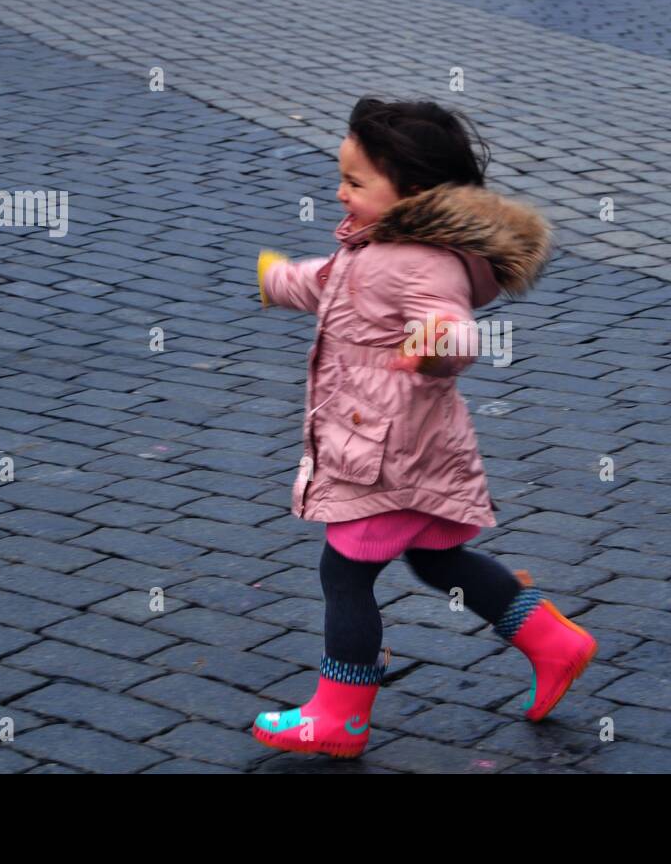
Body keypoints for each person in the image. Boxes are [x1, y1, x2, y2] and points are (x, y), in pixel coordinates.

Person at [250, 98, 597, 758]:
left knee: (345, 575)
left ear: (410, 192)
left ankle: (340, 715)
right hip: (415, 446)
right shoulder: (373, 243)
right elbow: (326, 282)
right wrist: (274, 279)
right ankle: (554, 641)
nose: (338, 190)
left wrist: (435, 344)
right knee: (440, 559)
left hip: (387, 451)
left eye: (354, 181)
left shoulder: (424, 261)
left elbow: (454, 326)